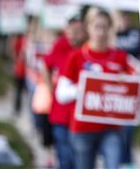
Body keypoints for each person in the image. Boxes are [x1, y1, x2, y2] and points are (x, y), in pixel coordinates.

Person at [55, 7, 138, 169]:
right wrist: (83, 90)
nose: (100, 32)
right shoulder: (76, 56)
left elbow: (137, 78)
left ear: (110, 29)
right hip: (82, 128)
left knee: (113, 165)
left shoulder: (120, 57)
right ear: (88, 28)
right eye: (96, 27)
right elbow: (61, 94)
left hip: (111, 128)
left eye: (104, 27)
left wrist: (127, 81)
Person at [41, 14, 87, 169]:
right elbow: (45, 66)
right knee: (64, 156)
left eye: (78, 31)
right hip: (61, 112)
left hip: (82, 115)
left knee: (79, 158)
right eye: (71, 31)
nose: (74, 35)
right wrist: (50, 89)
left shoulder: (89, 49)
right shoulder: (61, 45)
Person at [112, 10, 140, 169]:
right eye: (119, 16)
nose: (123, 20)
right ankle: (117, 159)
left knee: (129, 127)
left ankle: (127, 160)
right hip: (114, 88)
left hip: (132, 88)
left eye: (125, 16)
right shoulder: (110, 35)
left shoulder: (135, 34)